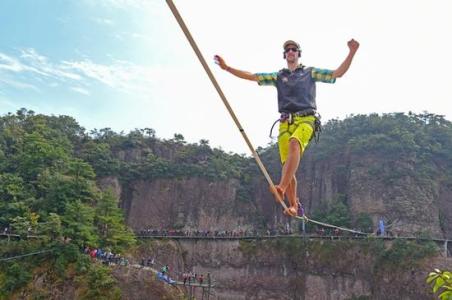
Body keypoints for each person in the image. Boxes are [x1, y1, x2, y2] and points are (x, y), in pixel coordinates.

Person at [215, 39, 359, 216]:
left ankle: (281, 187)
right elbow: (253, 76)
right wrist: (227, 68)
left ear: (299, 53)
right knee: (287, 166)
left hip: (306, 118)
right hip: (285, 122)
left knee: (294, 143)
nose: (291, 51)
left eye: (294, 49)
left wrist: (352, 52)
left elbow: (337, 73)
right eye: (288, 50)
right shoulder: (279, 76)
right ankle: (294, 205)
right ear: (285, 55)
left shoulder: (309, 73)